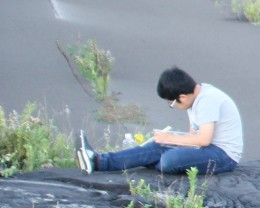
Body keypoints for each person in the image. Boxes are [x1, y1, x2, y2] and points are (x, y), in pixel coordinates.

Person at [76, 66, 243, 175]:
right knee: (156, 147)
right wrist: (169, 139)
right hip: (206, 149)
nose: (172, 106)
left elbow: (204, 140)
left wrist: (170, 139)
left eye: (171, 103)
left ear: (182, 97)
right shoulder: (194, 98)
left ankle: (155, 159)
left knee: (170, 160)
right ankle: (98, 161)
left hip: (224, 155)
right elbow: (194, 137)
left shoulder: (207, 100)